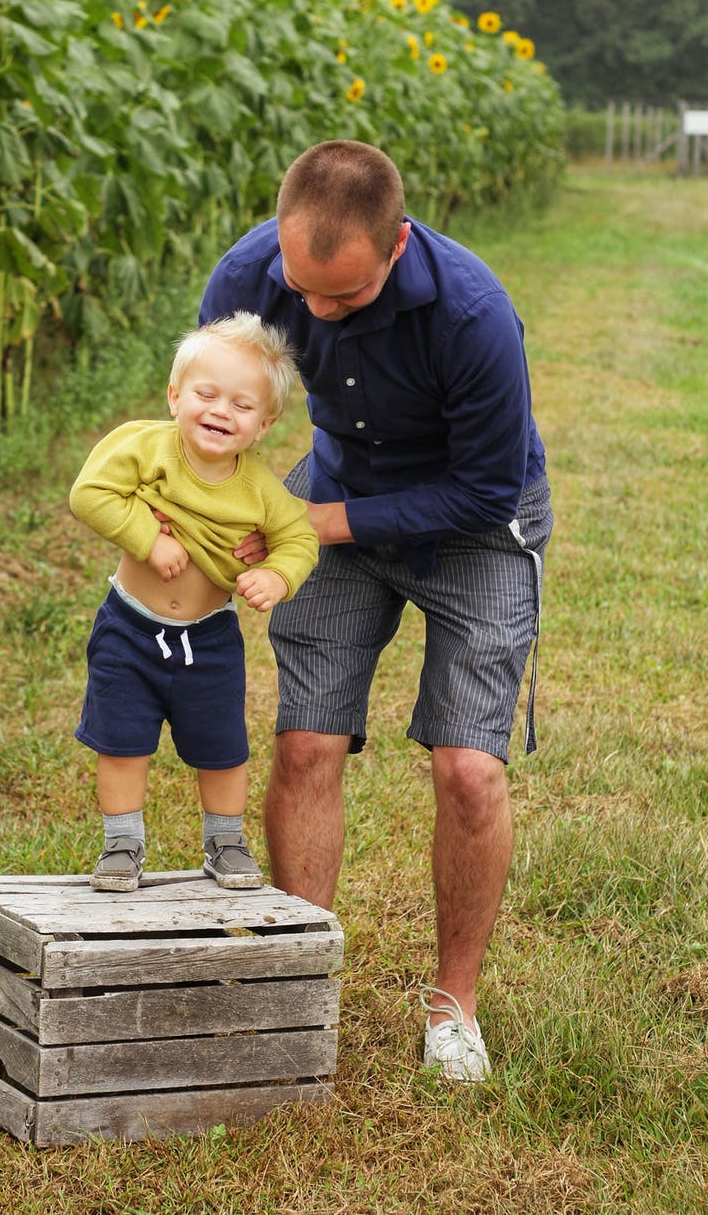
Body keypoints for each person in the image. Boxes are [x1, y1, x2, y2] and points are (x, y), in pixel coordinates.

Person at [199, 139, 553, 1081]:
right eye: (300, 288)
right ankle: (296, 985)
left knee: (469, 769)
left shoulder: (474, 315)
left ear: (396, 247)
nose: (313, 312)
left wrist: (323, 520)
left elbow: (484, 490)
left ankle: (453, 1010)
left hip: (475, 522)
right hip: (337, 489)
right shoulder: (249, 274)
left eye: (343, 300)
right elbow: (214, 413)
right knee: (306, 743)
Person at [69, 312, 319, 894]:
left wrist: (278, 578)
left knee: (223, 747)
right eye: (206, 394)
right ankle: (122, 844)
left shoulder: (258, 487)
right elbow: (90, 493)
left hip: (208, 638)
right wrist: (147, 537)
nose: (220, 411)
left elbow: (299, 537)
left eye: (241, 404)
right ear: (176, 395)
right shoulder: (146, 446)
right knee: (122, 741)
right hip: (130, 628)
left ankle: (225, 841)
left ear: (264, 424)